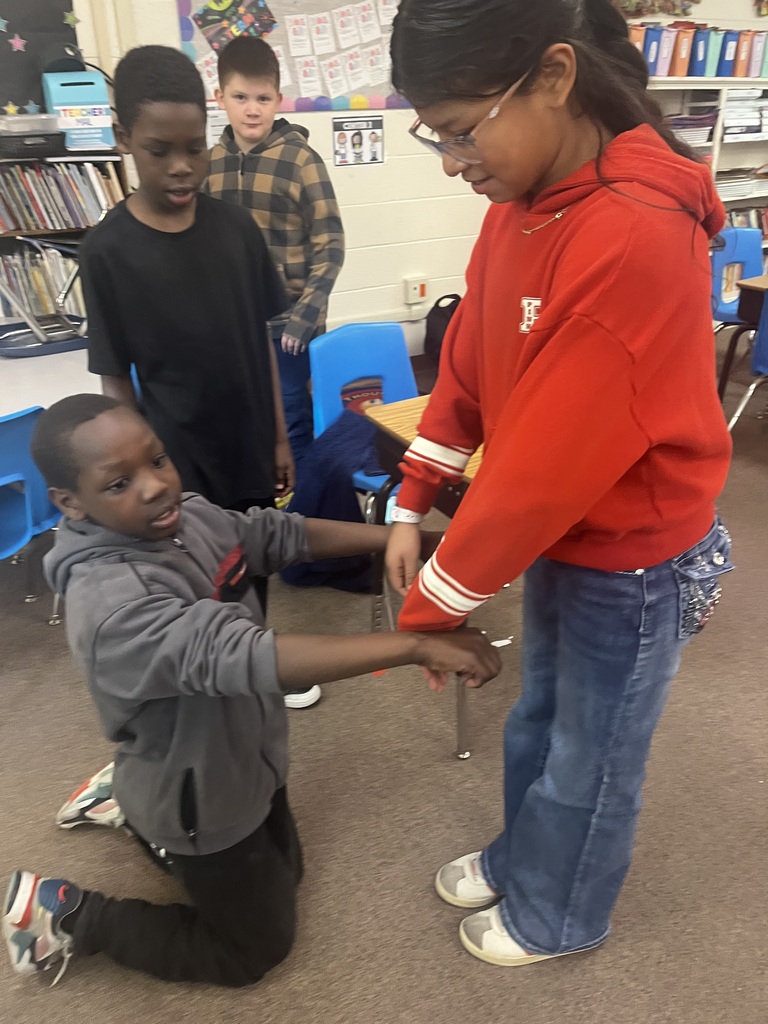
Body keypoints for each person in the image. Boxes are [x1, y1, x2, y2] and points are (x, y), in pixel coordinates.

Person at [384, 0, 734, 968]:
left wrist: (432, 605)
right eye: (434, 135)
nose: (451, 161)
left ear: (552, 77)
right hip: (564, 539)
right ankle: (524, 859)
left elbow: (543, 466)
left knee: (594, 751)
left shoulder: (636, 233)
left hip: (635, 561)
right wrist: (413, 495)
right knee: (540, 718)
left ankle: (562, 911)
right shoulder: (520, 206)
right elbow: (470, 360)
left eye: (461, 130)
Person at [2, 395, 501, 988]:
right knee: (254, 950)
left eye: (157, 460)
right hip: (197, 791)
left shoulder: (186, 516)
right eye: (118, 483)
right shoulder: (112, 604)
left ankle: (127, 800)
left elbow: (272, 534)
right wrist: (415, 646)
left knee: (287, 874)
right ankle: (68, 916)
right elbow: (241, 654)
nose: (156, 486)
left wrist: (407, 537)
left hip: (243, 753)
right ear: (70, 502)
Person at [79, 45, 311, 708]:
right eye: (159, 151)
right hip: (174, 457)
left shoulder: (237, 231)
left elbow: (262, 342)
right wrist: (135, 478)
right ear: (124, 138)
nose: (181, 167)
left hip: (248, 444)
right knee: (193, 579)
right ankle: (211, 700)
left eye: (193, 148)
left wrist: (279, 438)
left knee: (249, 564)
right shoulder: (106, 251)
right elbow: (115, 382)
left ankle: (255, 673)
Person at [207, 36, 345, 470]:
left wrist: (305, 317)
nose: (252, 109)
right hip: (233, 322)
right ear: (219, 97)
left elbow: (331, 246)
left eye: (263, 99)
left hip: (289, 324)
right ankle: (257, 496)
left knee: (291, 415)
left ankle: (301, 502)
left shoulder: (302, 160)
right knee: (240, 412)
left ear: (278, 100)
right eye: (240, 97)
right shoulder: (209, 163)